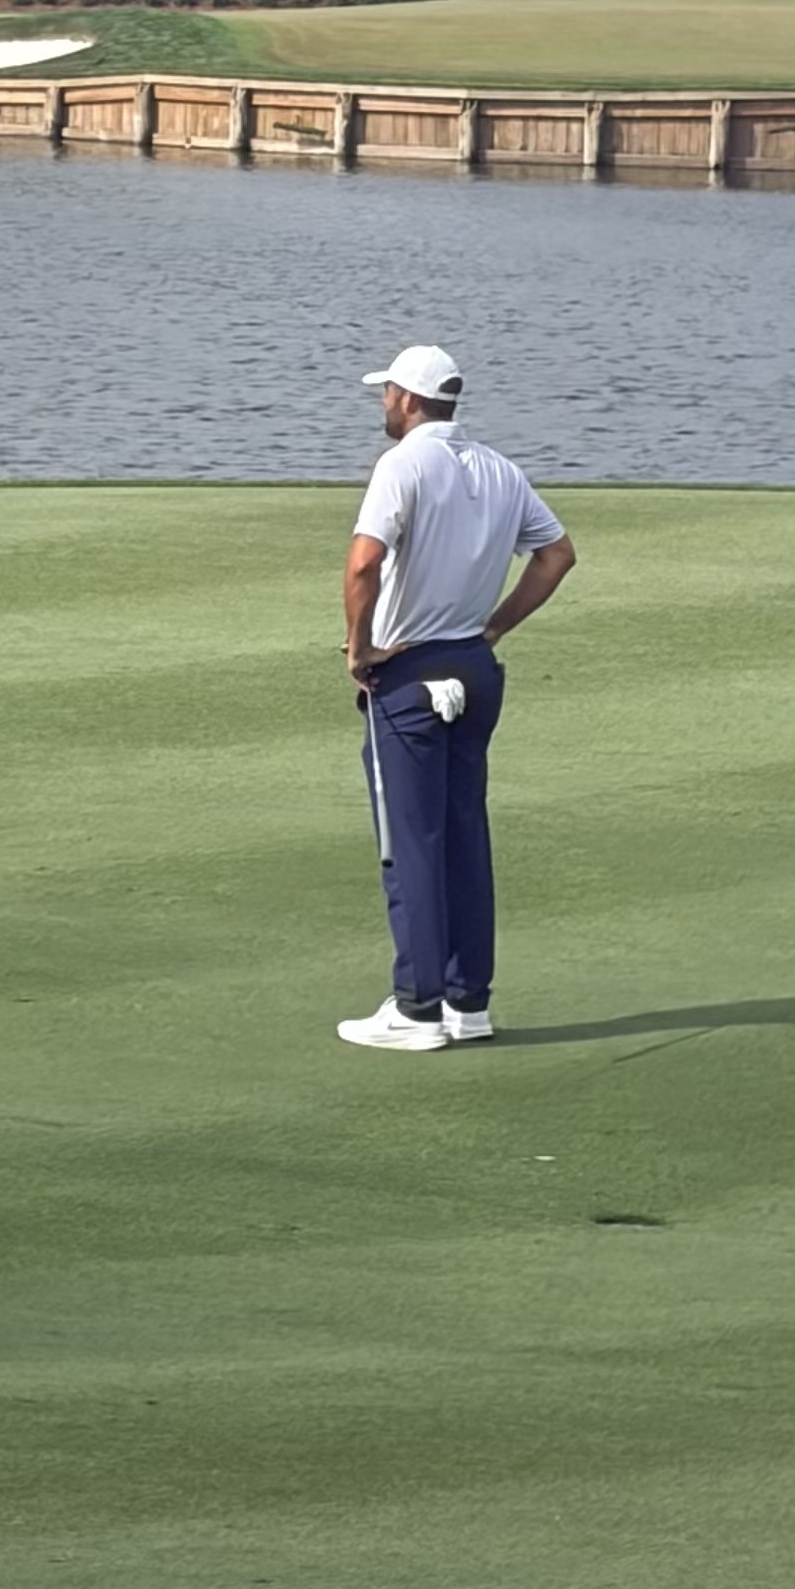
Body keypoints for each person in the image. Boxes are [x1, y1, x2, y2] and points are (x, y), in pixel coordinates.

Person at [337, 345, 576, 1057]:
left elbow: (364, 562)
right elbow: (556, 554)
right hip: (474, 668)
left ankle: (417, 1008)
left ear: (410, 399)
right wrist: (494, 627)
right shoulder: (501, 469)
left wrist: (359, 649)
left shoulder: (401, 465)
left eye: (388, 393)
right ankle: (467, 1001)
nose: (383, 403)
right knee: (464, 832)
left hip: (408, 674)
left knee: (410, 840)